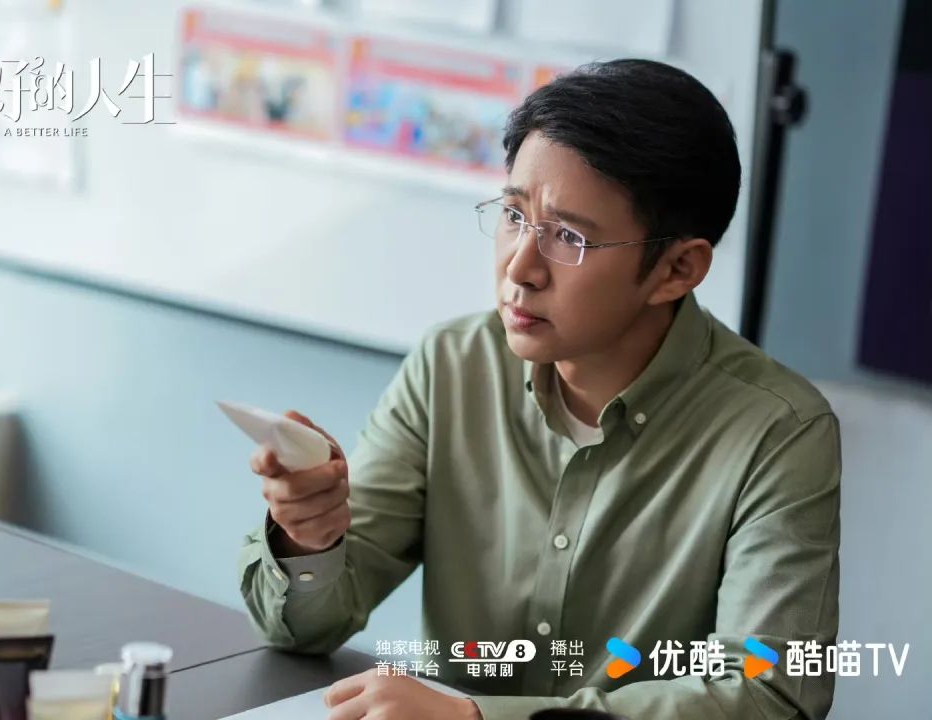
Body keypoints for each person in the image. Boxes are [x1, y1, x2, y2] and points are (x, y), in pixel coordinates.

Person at [238, 59, 840, 720]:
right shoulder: (452, 366)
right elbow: (306, 627)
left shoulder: (778, 430)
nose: (519, 268)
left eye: (569, 238)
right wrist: (311, 538)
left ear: (677, 269)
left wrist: (479, 718)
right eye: (514, 215)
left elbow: (769, 692)